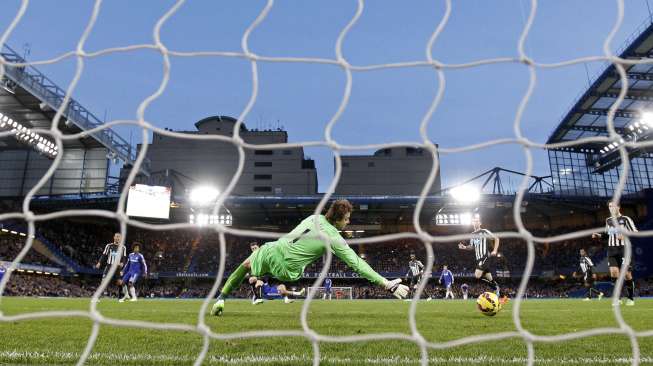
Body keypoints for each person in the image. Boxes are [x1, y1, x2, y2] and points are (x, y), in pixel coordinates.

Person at [210, 200, 408, 316]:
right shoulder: (333, 237)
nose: (348, 222)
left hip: (273, 249)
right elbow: (356, 263)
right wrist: (385, 283)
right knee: (278, 276)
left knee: (246, 265)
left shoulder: (314, 217)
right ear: (338, 219)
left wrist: (340, 232)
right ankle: (262, 282)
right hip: (287, 269)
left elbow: (318, 229)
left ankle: (221, 299)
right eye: (346, 219)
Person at [592, 201, 638, 306]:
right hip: (612, 249)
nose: (611, 208)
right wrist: (598, 235)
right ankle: (618, 298)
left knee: (627, 274)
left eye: (613, 206)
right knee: (613, 273)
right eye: (609, 206)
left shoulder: (626, 219)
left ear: (618, 207)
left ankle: (631, 298)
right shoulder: (608, 220)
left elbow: (635, 231)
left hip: (624, 249)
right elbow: (607, 235)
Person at [458, 215, 507, 305]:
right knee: (490, 279)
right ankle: (503, 296)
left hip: (484, 257)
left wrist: (495, 250)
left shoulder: (484, 231)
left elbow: (496, 238)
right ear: (472, 223)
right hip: (478, 259)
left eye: (477, 221)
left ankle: (496, 289)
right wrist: (464, 247)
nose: (475, 222)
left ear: (480, 223)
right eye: (474, 221)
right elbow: (472, 246)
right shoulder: (472, 235)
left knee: (477, 275)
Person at [95, 232, 127, 299]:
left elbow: (124, 257)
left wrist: (122, 263)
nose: (117, 238)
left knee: (119, 282)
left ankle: (121, 296)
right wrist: (99, 262)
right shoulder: (109, 246)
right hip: (109, 266)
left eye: (119, 237)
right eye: (116, 236)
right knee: (103, 281)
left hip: (117, 268)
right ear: (114, 237)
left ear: (121, 238)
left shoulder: (123, 247)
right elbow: (104, 255)